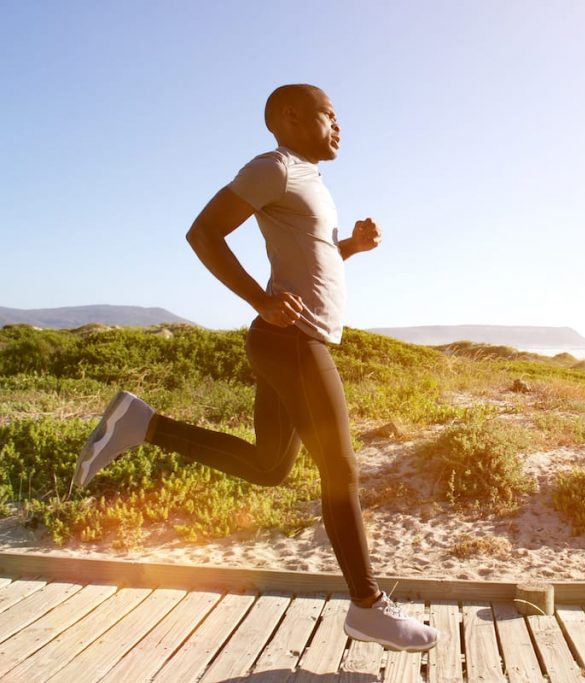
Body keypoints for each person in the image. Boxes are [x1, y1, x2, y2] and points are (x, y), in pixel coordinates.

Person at [73, 83, 439, 653]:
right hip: (293, 341)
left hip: (286, 340)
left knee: (270, 467)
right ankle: (368, 607)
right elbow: (204, 232)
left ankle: (143, 425)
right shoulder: (274, 167)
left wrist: (351, 249)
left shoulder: (309, 181)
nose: (340, 127)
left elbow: (309, 258)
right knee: (339, 469)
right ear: (291, 117)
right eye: (330, 115)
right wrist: (258, 299)